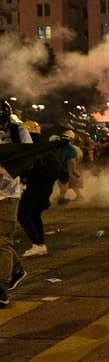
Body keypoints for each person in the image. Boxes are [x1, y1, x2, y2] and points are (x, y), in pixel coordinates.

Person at [0, 100, 31, 307]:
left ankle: (0, 288)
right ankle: (16, 268)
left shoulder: (19, 132)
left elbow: (28, 158)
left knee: (1, 240)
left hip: (7, 194)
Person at [18, 121, 59, 257]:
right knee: (34, 215)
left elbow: (30, 170)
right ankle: (40, 244)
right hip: (43, 188)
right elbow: (57, 171)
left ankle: (37, 244)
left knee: (23, 215)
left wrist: (28, 178)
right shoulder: (44, 150)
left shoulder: (33, 150)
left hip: (36, 188)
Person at [55, 129, 82, 204]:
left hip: (58, 169)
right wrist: (75, 172)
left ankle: (78, 195)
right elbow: (72, 162)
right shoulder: (70, 149)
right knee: (65, 183)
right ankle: (61, 198)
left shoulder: (56, 146)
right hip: (64, 169)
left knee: (67, 183)